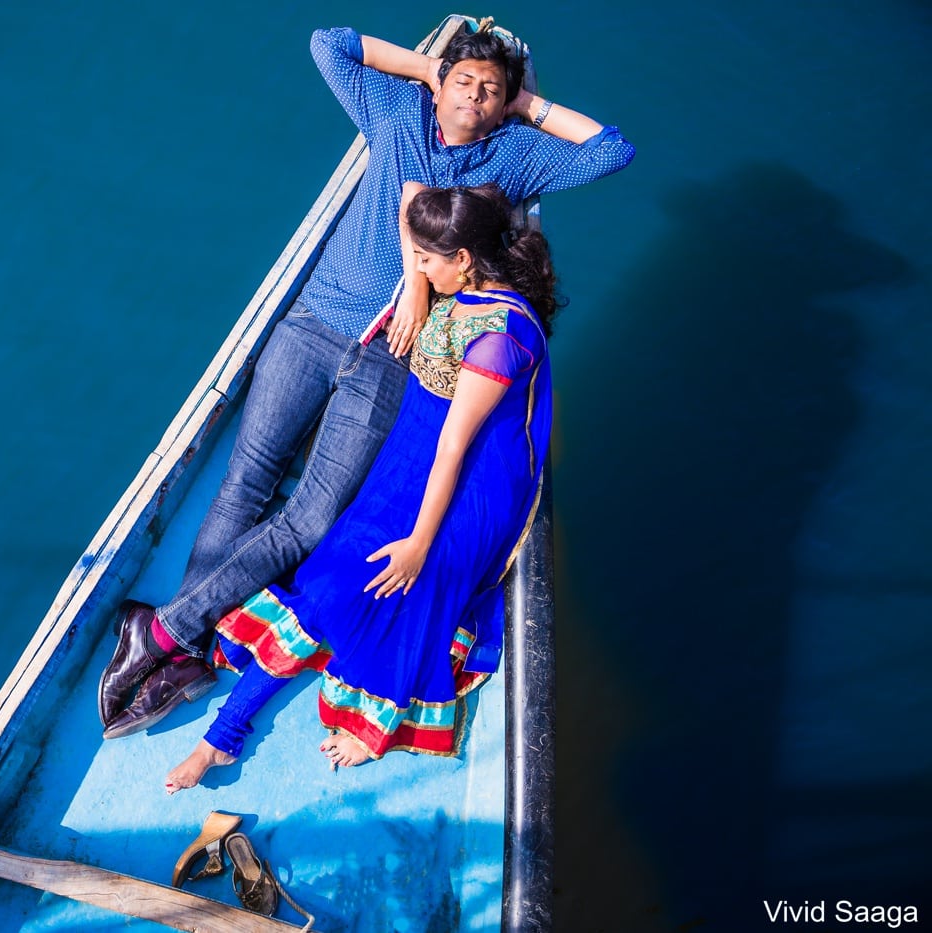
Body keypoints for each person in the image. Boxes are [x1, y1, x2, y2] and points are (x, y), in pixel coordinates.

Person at [99, 21, 633, 738]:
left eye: (493, 89)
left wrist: (527, 109)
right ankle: (185, 638)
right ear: (440, 84)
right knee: (246, 482)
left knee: (312, 517)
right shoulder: (396, 112)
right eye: (466, 81)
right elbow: (329, 43)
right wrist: (427, 70)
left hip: (393, 358)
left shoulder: (514, 157)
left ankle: (166, 632)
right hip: (317, 320)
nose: (477, 95)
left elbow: (612, 150)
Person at [166, 181, 559, 789]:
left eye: (429, 261)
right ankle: (225, 736)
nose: (416, 272)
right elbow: (411, 205)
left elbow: (455, 445)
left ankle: (260, 734)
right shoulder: (462, 280)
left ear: (463, 259)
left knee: (371, 592)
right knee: (327, 583)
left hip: (459, 491)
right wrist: (419, 260)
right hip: (410, 461)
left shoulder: (502, 337)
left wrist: (420, 544)